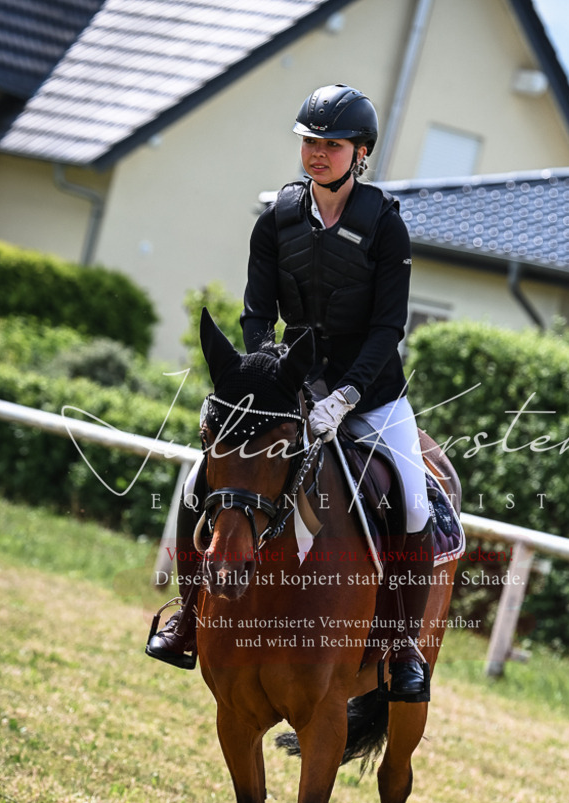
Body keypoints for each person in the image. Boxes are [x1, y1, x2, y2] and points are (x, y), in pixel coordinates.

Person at [147, 83, 433, 699]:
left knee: (412, 504)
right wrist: (272, 375)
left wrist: (347, 395)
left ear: (360, 153)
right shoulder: (276, 218)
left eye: (331, 145)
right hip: (288, 389)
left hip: (372, 395)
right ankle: (189, 617)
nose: (316, 154)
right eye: (308, 142)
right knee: (201, 483)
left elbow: (389, 327)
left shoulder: (386, 228)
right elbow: (256, 314)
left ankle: (402, 648)